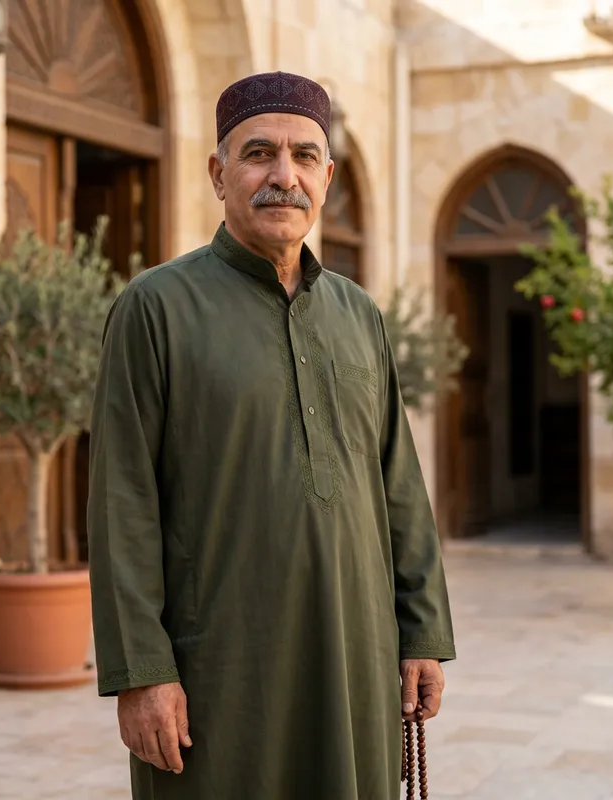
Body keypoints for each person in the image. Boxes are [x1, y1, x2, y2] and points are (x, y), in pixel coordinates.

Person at [88, 71, 456, 800]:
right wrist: (142, 674)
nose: (282, 176)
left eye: (304, 157)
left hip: (356, 657)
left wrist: (420, 635)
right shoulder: (155, 308)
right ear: (219, 174)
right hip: (219, 670)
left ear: (327, 176)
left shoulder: (358, 314)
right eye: (259, 154)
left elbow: (399, 485)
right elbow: (121, 501)